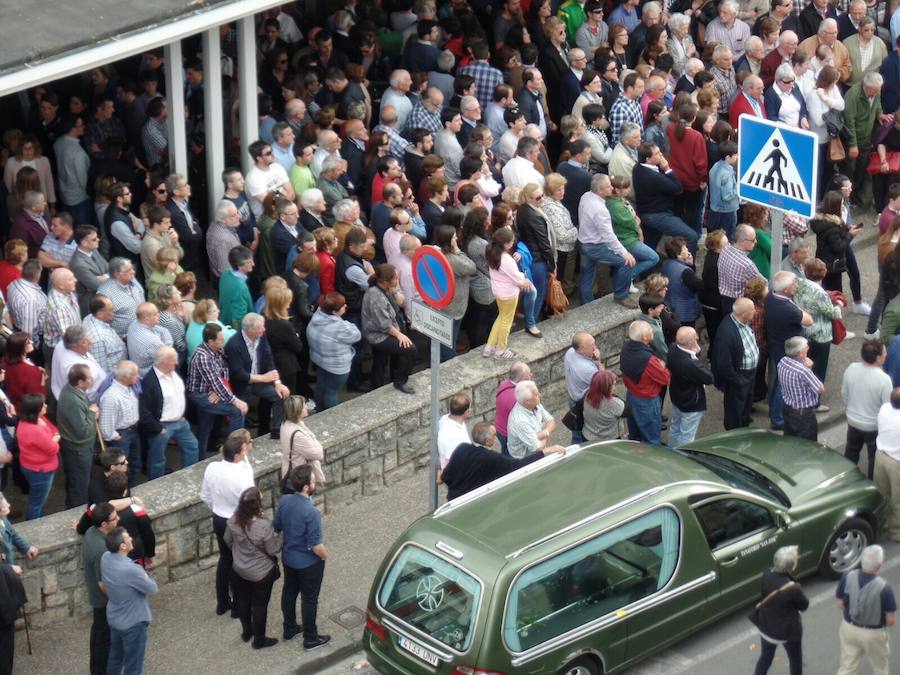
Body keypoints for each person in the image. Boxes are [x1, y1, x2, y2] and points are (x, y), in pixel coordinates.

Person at [274, 465, 331, 651]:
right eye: (313, 481)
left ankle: (289, 627)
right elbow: (316, 546)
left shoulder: (285, 501)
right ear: (306, 487)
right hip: (309, 563)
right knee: (309, 600)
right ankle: (311, 638)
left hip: (289, 559)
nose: (315, 483)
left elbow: (277, 525)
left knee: (289, 591)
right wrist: (326, 556)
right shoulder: (312, 513)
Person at [200, 433, 255, 617]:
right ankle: (238, 606)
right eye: (243, 451)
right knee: (239, 561)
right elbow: (250, 502)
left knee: (225, 559)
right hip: (237, 520)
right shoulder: (242, 474)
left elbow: (205, 495)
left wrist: (217, 507)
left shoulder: (212, 468)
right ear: (237, 455)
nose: (246, 453)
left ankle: (222, 603)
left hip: (219, 518)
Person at [439, 421, 565, 500]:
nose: (496, 436)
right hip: (468, 504)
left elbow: (445, 477)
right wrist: (545, 451)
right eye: (494, 435)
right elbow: (518, 466)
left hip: (452, 500)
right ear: (487, 441)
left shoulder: (461, 448)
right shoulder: (490, 458)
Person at [225, 487, 281, 649]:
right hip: (261, 573)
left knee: (242, 600)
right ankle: (259, 640)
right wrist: (282, 536)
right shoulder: (264, 526)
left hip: (239, 569)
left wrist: (239, 554)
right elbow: (272, 549)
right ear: (257, 506)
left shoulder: (233, 520)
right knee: (259, 605)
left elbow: (227, 540)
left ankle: (247, 632)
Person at [101, 527, 158, 675]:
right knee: (133, 666)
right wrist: (144, 574)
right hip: (133, 623)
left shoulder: (105, 557)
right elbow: (152, 588)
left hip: (115, 617)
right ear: (122, 546)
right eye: (128, 538)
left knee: (115, 658)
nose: (131, 539)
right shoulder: (131, 569)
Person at [225, 313, 290, 439]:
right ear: (249, 331)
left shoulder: (261, 335)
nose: (264, 330)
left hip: (258, 381)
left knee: (280, 395)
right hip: (242, 385)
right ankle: (237, 441)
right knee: (239, 411)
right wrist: (263, 378)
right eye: (261, 328)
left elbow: (268, 357)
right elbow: (237, 374)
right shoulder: (234, 345)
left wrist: (277, 383)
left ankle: (277, 429)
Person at [187, 323, 248, 457]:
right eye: (220, 339)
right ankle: (234, 451)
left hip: (210, 390)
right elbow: (215, 381)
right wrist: (235, 401)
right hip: (199, 395)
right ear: (210, 342)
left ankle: (200, 457)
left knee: (205, 425)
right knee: (237, 411)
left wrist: (217, 392)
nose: (223, 341)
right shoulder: (202, 356)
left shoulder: (218, 349)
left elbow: (224, 371)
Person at [140, 345, 199, 480]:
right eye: (173, 360)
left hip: (180, 422)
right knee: (158, 459)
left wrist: (182, 414)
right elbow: (144, 412)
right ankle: (156, 485)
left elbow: (181, 394)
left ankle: (188, 477)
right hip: (162, 426)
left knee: (192, 447)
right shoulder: (149, 382)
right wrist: (158, 429)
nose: (177, 363)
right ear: (163, 363)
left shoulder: (174, 371)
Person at [835, 545, 896, 674]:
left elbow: (840, 604)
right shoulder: (884, 588)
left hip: (849, 627)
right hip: (873, 633)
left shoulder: (848, 576)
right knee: (880, 668)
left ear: (861, 561)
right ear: (879, 566)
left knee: (848, 666)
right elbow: (891, 620)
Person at [766, 271, 814, 431]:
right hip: (787, 350)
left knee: (777, 380)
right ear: (786, 289)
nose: (796, 286)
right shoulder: (788, 309)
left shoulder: (771, 297)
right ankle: (777, 419)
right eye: (793, 283)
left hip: (775, 344)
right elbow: (809, 320)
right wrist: (799, 309)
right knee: (782, 384)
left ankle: (774, 412)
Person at [753, 545, 809, 675]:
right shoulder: (793, 588)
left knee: (766, 658)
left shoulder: (767, 575)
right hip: (787, 632)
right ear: (792, 567)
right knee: (795, 659)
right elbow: (804, 605)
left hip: (766, 627)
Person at [361, 263, 417, 393]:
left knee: (380, 359)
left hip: (385, 331)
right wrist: (399, 335)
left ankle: (376, 385)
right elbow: (383, 324)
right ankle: (400, 382)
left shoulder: (385, 288)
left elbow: (400, 302)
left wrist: (396, 290)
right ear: (386, 281)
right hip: (379, 336)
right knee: (410, 350)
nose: (398, 280)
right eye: (395, 278)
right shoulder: (376, 296)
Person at [841, 340, 892, 479]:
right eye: (884, 352)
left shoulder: (851, 368)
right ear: (878, 358)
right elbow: (887, 407)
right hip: (873, 426)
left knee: (851, 452)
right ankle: (871, 482)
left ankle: (846, 478)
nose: (886, 355)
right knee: (873, 457)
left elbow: (844, 394)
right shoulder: (884, 379)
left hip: (853, 421)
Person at [81, 502, 119, 675]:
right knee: (104, 640)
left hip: (98, 599)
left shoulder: (91, 531)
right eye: (114, 518)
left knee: (98, 633)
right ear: (104, 524)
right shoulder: (101, 551)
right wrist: (119, 600)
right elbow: (103, 583)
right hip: (104, 601)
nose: (118, 519)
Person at [619, 320, 671, 444]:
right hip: (647, 401)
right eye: (651, 330)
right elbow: (665, 378)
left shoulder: (626, 348)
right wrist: (662, 365)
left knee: (635, 436)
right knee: (652, 438)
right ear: (646, 338)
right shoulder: (649, 361)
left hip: (631, 396)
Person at [713, 297, 760, 429]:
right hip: (739, 377)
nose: (755, 312)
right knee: (735, 410)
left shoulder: (741, 321)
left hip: (749, 374)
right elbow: (724, 365)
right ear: (744, 314)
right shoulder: (727, 333)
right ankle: (734, 433)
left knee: (746, 405)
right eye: (752, 310)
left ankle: (744, 426)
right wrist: (738, 381)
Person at [57, 363, 98, 508]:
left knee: (76, 480)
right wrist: (92, 413)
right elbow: (82, 431)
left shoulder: (71, 390)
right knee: (80, 484)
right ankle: (78, 511)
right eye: (90, 378)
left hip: (77, 447)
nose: (92, 380)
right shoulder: (73, 400)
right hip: (79, 449)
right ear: (80, 382)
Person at [666, 326, 713, 448]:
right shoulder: (690, 364)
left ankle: (671, 449)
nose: (697, 337)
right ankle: (682, 455)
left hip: (677, 396)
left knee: (675, 427)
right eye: (695, 337)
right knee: (687, 436)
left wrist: (695, 352)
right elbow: (708, 378)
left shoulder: (673, 348)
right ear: (690, 342)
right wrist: (698, 355)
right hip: (691, 402)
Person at [17, 393, 59, 519]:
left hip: (31, 466)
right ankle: (34, 526)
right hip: (40, 471)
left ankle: (37, 520)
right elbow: (53, 449)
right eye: (43, 405)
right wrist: (55, 438)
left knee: (37, 499)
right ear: (36, 410)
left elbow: (54, 429)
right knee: (36, 503)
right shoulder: (35, 430)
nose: (46, 406)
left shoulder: (31, 420)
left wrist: (53, 435)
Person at [778, 336, 825, 441]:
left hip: (787, 408)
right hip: (803, 414)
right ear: (800, 353)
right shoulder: (804, 371)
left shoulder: (782, 361)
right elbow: (820, 389)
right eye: (806, 347)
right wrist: (810, 368)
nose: (808, 347)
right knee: (808, 443)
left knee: (789, 440)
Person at [506, 380, 564, 459]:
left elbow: (552, 421)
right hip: (525, 460)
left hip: (535, 450)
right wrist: (545, 433)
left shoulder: (535, 404)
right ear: (527, 402)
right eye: (536, 395)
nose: (540, 395)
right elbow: (538, 448)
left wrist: (544, 433)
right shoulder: (520, 421)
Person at [582, 369, 626, 442]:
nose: (614, 388)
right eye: (613, 384)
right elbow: (627, 411)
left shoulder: (587, 395)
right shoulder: (614, 404)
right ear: (605, 388)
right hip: (608, 440)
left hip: (587, 437)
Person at [437, 393, 472, 469]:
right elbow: (450, 461)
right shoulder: (456, 438)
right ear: (466, 412)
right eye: (469, 409)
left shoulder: (444, 418)